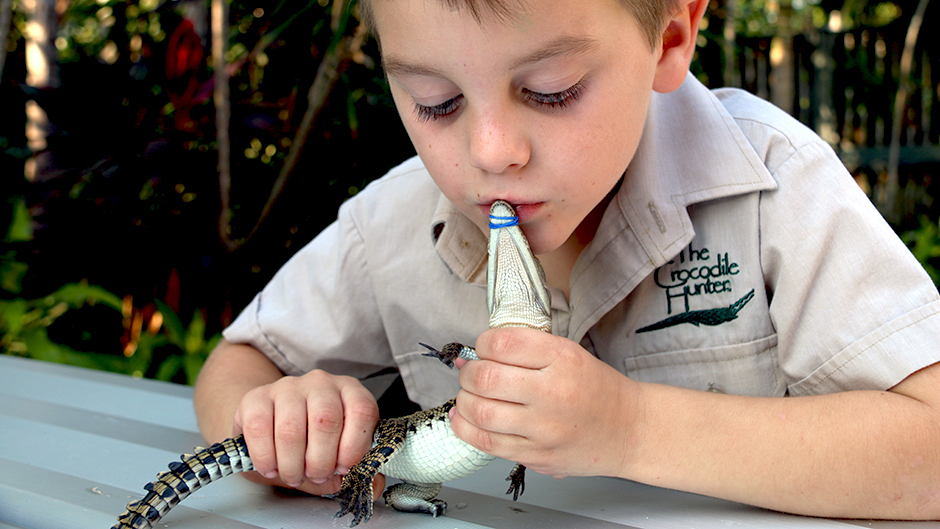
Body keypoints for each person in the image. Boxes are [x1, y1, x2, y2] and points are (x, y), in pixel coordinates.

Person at [193, 0, 940, 520]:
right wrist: (278, 429)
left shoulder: (774, 184)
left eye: (551, 92)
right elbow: (241, 363)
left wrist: (634, 428)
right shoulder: (394, 220)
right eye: (436, 101)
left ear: (672, 36)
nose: (491, 153)